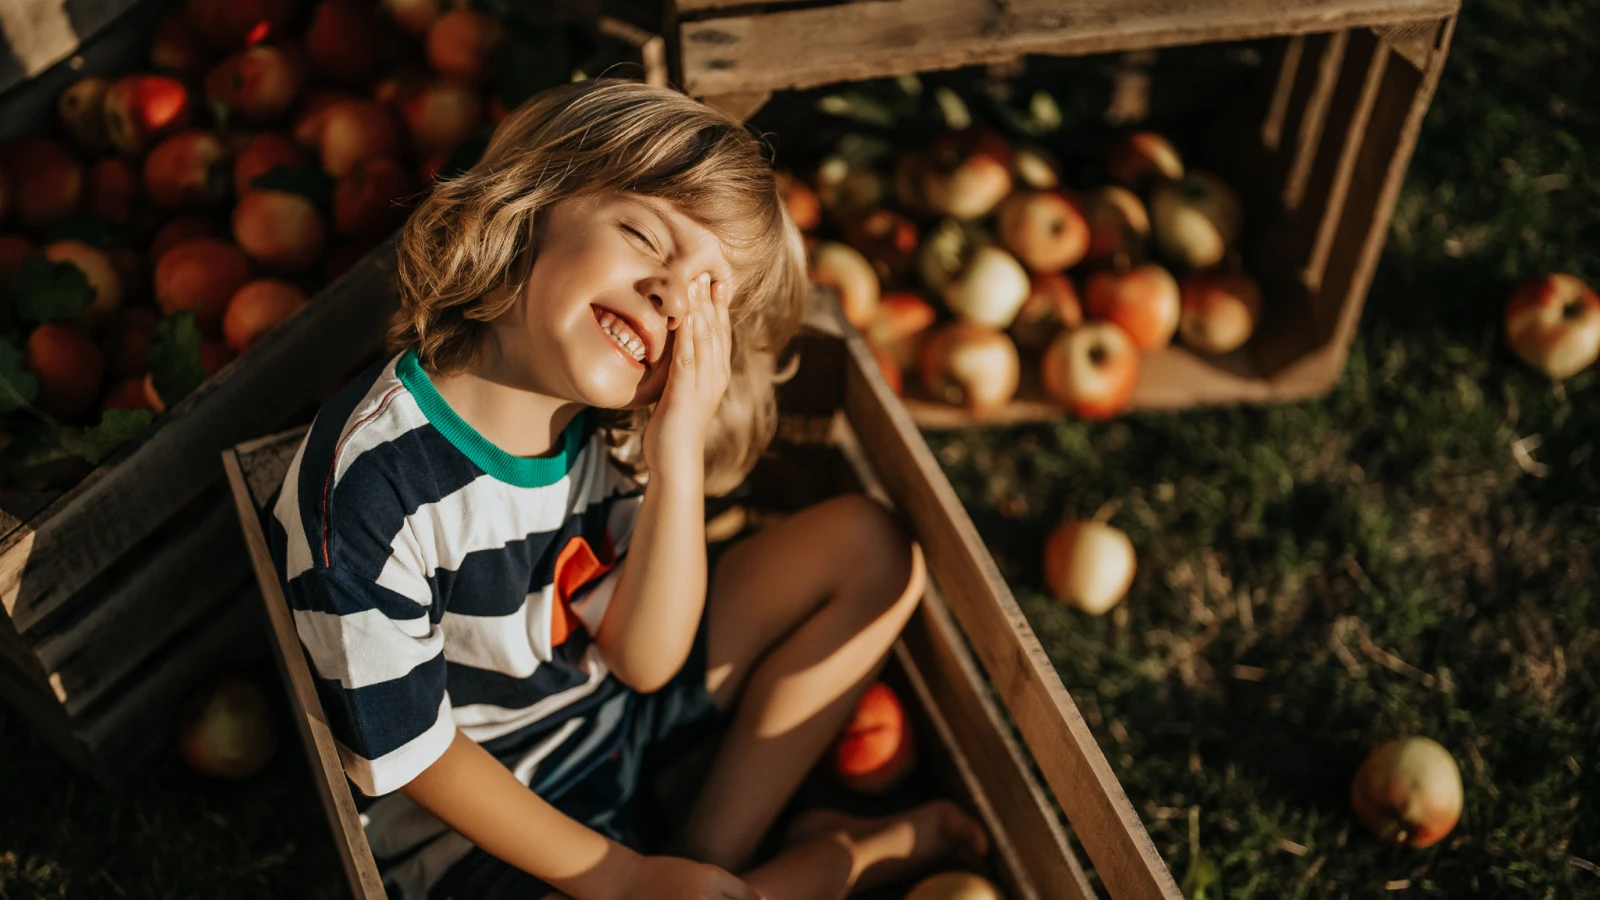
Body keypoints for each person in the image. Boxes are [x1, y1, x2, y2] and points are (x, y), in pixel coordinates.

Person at [267, 78, 987, 900]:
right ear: (533, 204)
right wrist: (621, 877)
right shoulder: (374, 484)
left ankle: (713, 852)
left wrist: (676, 457)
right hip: (478, 834)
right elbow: (411, 752)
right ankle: (839, 860)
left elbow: (644, 662)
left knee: (870, 550)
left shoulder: (607, 432)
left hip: (608, 723)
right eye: (645, 235)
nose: (672, 294)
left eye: (707, 297)